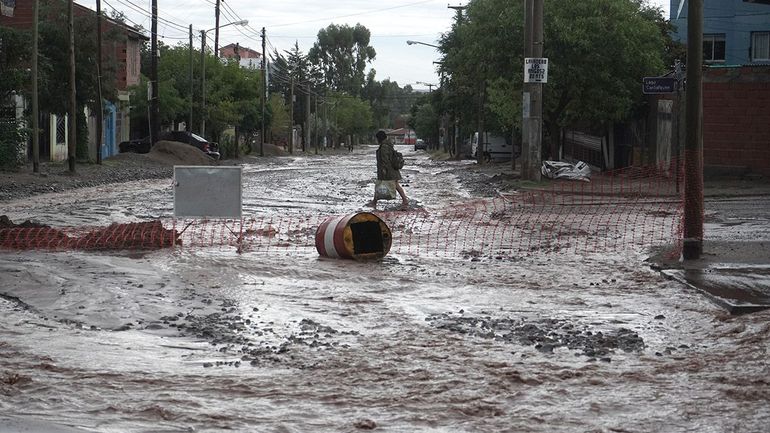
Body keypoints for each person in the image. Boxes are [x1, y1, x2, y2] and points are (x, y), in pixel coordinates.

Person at [368, 129, 408, 209]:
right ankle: (374, 202)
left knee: (384, 184)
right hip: (391, 169)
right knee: (382, 184)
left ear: (379, 138)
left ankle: (405, 201)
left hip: (388, 170)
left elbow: (385, 159)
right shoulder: (387, 145)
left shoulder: (384, 146)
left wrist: (384, 169)